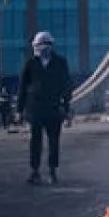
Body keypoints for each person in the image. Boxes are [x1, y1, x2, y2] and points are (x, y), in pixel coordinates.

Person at [18, 31, 73, 184]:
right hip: (35, 108)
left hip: (54, 108)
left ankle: (52, 170)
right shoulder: (30, 64)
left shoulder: (60, 63)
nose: (43, 48)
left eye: (46, 45)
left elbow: (67, 85)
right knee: (35, 141)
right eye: (40, 45)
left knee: (54, 141)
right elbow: (22, 87)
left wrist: (66, 106)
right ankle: (34, 171)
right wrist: (19, 110)